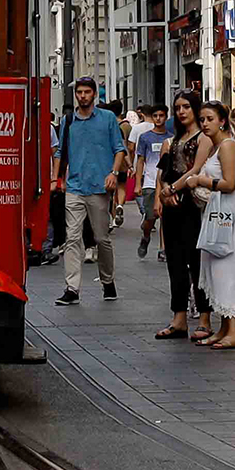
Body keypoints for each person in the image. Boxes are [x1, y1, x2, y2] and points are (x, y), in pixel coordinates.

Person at [176, 102, 235, 348]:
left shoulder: (228, 146)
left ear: (222, 120)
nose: (205, 123)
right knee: (215, 268)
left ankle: (234, 331)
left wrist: (201, 180)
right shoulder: (216, 147)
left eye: (210, 118)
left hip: (227, 212)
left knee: (227, 267)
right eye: (202, 119)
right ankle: (224, 327)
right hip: (215, 211)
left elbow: (229, 184)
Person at [53, 78, 126, 306]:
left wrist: (113, 173)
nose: (83, 96)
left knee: (101, 238)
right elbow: (60, 152)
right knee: (72, 237)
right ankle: (72, 288)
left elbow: (119, 149)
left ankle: (108, 280)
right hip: (75, 186)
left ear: (95, 94)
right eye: (79, 92)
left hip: (99, 188)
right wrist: (57, 179)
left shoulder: (107, 119)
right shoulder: (69, 120)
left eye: (87, 92)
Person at [151, 95, 211, 340]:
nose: (182, 111)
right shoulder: (173, 140)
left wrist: (171, 189)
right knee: (174, 262)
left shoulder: (204, 138)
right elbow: (164, 171)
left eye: (186, 107)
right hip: (173, 205)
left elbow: (195, 170)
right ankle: (179, 318)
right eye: (178, 108)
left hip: (193, 205)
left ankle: (205, 318)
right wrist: (163, 194)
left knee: (198, 263)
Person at [131, 105, 170, 260]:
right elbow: (140, 160)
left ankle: (163, 249)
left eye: (161, 115)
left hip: (166, 182)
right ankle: (146, 236)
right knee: (150, 218)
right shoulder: (146, 137)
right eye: (156, 115)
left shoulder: (170, 137)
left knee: (165, 218)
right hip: (149, 182)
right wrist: (138, 183)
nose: (159, 118)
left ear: (166, 117)